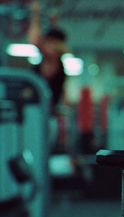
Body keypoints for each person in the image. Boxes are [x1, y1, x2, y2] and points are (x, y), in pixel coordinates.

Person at [28, 0, 68, 147]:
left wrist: (35, 13)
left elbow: (34, 40)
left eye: (51, 43)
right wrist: (42, 16)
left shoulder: (57, 66)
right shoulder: (45, 62)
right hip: (32, 115)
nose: (47, 45)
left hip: (46, 118)